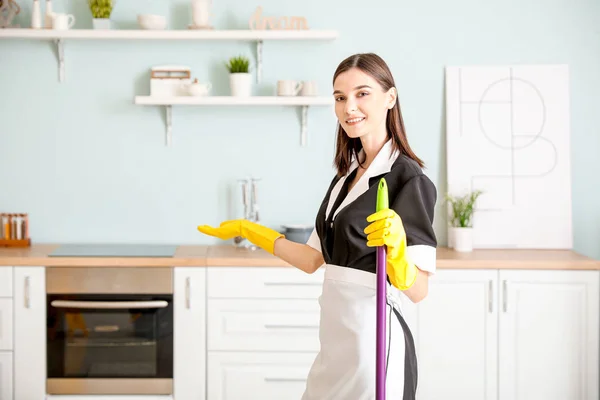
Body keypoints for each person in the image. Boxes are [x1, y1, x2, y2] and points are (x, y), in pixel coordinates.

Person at [197, 52, 438, 400]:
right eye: (340, 97)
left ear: (390, 98)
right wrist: (250, 230)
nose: (349, 107)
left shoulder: (408, 180)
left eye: (362, 93)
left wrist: (399, 253)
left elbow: (418, 290)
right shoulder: (345, 177)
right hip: (335, 338)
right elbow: (313, 259)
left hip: (375, 340)